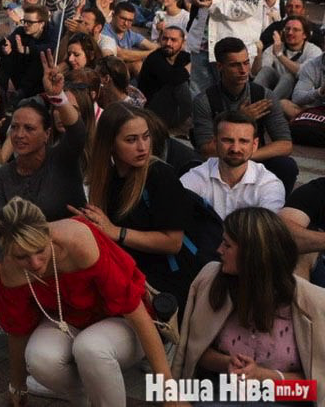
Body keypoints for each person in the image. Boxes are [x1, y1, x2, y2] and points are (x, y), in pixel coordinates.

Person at [0, 197, 177, 407]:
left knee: (90, 348)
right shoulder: (10, 270)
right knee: (39, 358)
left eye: (39, 249)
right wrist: (18, 386)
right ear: (7, 251)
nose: (35, 263)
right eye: (22, 257)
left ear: (48, 234)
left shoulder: (78, 240)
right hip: (69, 322)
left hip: (121, 322)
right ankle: (85, 400)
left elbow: (136, 312)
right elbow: (18, 330)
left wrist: (168, 389)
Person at [172, 207, 324, 392]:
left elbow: (316, 387)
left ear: (253, 254)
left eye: (227, 245)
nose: (219, 250)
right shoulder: (211, 279)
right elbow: (194, 352)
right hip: (220, 391)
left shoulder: (314, 303)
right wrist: (229, 363)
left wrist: (264, 377)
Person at [0, 50, 86, 312]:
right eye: (15, 127)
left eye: (29, 129)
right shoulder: (3, 176)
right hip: (25, 267)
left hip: (70, 264)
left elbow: (77, 132)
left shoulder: (61, 159)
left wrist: (57, 96)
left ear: (46, 134)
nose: (19, 135)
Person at [82, 102, 195, 306]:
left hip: (162, 288)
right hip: (123, 281)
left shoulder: (160, 175)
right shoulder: (105, 179)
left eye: (146, 136)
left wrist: (117, 232)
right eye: (131, 140)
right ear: (110, 144)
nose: (142, 147)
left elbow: (173, 242)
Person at [191, 37, 298, 195]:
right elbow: (207, 150)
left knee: (286, 166)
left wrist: (247, 155)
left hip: (255, 158)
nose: (243, 70)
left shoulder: (263, 96)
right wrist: (239, 118)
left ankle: (275, 212)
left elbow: (285, 144)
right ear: (220, 66)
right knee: (192, 167)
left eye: (246, 62)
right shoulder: (204, 100)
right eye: (235, 65)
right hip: (218, 164)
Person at [181, 110, 285, 220]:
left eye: (243, 141)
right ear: (215, 142)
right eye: (228, 140)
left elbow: (265, 230)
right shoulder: (198, 175)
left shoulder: (268, 184)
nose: (235, 149)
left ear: (255, 145)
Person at [137, 26, 193, 132]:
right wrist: (191, 67)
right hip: (152, 112)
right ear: (159, 40)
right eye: (165, 39)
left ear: (183, 43)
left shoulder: (185, 57)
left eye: (173, 40)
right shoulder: (154, 58)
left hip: (173, 111)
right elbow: (173, 79)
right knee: (179, 83)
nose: (168, 43)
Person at [253, 17, 320, 102]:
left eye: (295, 30)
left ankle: (269, 106)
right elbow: (259, 72)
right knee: (266, 71)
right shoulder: (276, 46)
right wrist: (258, 54)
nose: (290, 32)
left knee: (288, 77)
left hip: (299, 92)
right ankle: (252, 101)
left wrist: (279, 55)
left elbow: (303, 72)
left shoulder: (314, 50)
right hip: (275, 86)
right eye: (287, 29)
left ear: (305, 34)